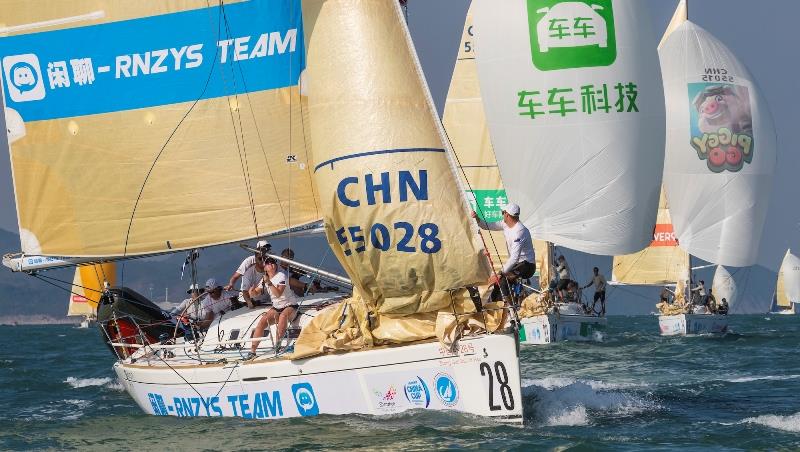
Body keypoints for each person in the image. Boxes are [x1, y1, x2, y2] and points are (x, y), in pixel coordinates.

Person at [471, 203, 535, 301]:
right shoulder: (505, 224)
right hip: (517, 264)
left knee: (502, 280)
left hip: (527, 266)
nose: (502, 214)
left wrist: (500, 273)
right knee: (498, 284)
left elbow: (514, 258)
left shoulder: (519, 231)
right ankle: (500, 308)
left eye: (502, 212)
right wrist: (477, 218)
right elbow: (487, 225)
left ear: (507, 215)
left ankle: (511, 309)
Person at [248, 258, 301, 357]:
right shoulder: (264, 279)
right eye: (267, 263)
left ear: (276, 265)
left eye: (272, 262)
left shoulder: (281, 276)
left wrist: (269, 283)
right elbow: (256, 292)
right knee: (263, 321)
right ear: (265, 267)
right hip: (277, 307)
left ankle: (278, 346)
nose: (270, 264)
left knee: (283, 316)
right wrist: (252, 293)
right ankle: (252, 351)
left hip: (290, 305)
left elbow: (278, 294)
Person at [225, 240, 270, 307]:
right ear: (257, 250)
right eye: (263, 248)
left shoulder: (270, 261)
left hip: (266, 301)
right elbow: (236, 276)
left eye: (267, 248)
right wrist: (231, 284)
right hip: (249, 300)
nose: (266, 250)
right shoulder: (249, 262)